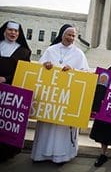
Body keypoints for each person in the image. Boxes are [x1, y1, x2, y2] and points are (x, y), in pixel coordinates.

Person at [30, 24, 89, 164]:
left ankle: (61, 156)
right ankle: (41, 155)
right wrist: (46, 66)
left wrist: (73, 70)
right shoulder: (51, 50)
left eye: (73, 35)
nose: (71, 38)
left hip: (66, 99)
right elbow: (39, 68)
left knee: (62, 130)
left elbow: (85, 74)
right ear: (62, 34)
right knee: (47, 127)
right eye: (68, 34)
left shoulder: (79, 53)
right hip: (50, 99)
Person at [0, 21, 31, 162]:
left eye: (16, 31)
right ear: (4, 31)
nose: (13, 33)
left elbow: (25, 72)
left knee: (7, 122)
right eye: (10, 30)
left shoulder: (23, 51)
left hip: (12, 90)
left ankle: (6, 152)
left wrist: (5, 79)